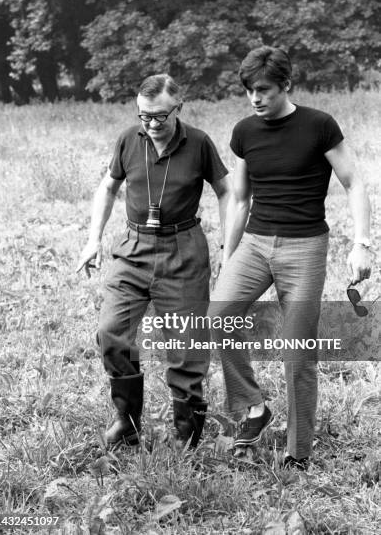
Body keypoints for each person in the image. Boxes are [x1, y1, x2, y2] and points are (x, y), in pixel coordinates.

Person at [208, 46, 372, 469]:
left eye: (263, 89)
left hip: (305, 247)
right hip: (256, 244)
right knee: (219, 315)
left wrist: (362, 243)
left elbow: (354, 183)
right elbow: (241, 199)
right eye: (248, 91)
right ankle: (255, 408)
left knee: (297, 352)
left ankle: (298, 452)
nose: (255, 98)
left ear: (286, 85)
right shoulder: (245, 131)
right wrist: (229, 258)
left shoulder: (319, 126)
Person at [76, 74, 230, 448]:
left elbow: (226, 190)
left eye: (160, 116)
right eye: (145, 116)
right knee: (112, 333)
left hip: (183, 250)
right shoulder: (130, 139)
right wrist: (92, 239)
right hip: (134, 249)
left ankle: (186, 432)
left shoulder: (199, 143)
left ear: (178, 107)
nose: (152, 125)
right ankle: (127, 422)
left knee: (186, 345)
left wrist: (230, 243)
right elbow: (108, 186)